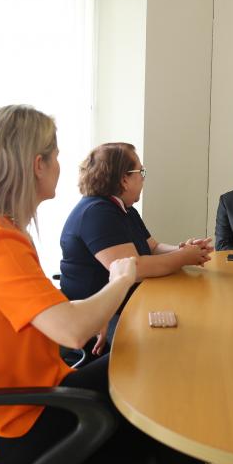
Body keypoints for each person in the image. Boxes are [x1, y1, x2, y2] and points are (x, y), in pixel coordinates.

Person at [0, 106, 203, 464]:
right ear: (37, 164)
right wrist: (120, 280)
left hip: (37, 396)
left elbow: (53, 317)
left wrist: (94, 315)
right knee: (168, 420)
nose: (62, 164)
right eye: (57, 155)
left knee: (152, 363)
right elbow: (72, 331)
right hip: (23, 422)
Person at [60, 142, 212, 353]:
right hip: (99, 316)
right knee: (165, 348)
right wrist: (185, 257)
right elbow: (136, 268)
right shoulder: (97, 213)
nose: (143, 177)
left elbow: (153, 247)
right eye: (141, 171)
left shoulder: (125, 209)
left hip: (124, 304)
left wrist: (182, 249)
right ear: (124, 179)